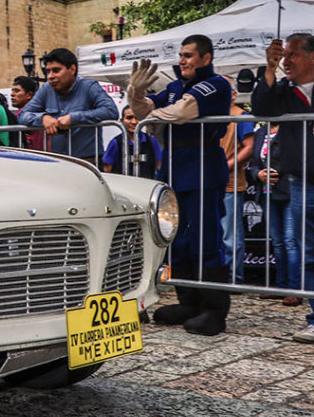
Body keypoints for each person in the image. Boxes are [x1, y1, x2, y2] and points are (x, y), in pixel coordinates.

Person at [127, 34, 232, 336]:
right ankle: (189, 302)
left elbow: (183, 112)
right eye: (181, 55)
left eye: (188, 55)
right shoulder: (175, 87)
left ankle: (214, 309)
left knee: (205, 241)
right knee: (180, 242)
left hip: (203, 171)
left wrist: (154, 117)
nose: (182, 60)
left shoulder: (216, 84)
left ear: (205, 58)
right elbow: (145, 110)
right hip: (176, 171)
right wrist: (135, 92)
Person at [251, 33, 314, 343]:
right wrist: (269, 67)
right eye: (284, 55)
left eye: (293, 54)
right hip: (302, 181)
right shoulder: (284, 89)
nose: (286, 61)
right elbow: (261, 108)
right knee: (309, 250)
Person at [17, 47, 118, 161]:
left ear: (72, 69)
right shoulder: (46, 89)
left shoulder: (89, 87)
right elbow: (22, 115)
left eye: (56, 70)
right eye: (48, 71)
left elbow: (111, 111)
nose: (50, 76)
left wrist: (73, 118)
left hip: (88, 162)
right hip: (59, 162)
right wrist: (43, 118)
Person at [246, 122, 300, 304]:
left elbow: (294, 157)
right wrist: (258, 174)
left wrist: (273, 172)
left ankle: (295, 288)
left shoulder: (291, 129)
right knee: (277, 241)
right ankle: (281, 285)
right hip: (267, 192)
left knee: (290, 241)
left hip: (289, 191)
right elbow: (253, 162)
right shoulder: (260, 132)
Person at [218, 77, 254, 283]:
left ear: (234, 94)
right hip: (210, 183)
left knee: (230, 236)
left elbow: (248, 148)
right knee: (216, 234)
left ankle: (233, 278)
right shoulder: (210, 115)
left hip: (230, 183)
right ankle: (218, 277)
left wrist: (226, 166)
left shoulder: (241, 116)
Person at [101, 105, 163, 178]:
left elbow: (159, 165)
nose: (134, 122)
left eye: (137, 117)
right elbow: (107, 169)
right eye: (129, 118)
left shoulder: (151, 141)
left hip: (147, 183)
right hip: (123, 184)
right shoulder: (116, 142)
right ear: (122, 121)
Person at [9, 75, 44, 150]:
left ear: (29, 95)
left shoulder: (31, 113)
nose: (12, 94)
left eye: (17, 91)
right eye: (12, 90)